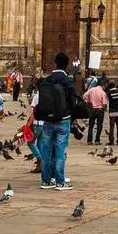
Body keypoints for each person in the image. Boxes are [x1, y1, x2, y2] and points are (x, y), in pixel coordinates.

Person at [36, 52, 77, 190]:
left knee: (46, 151)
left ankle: (46, 181)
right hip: (63, 120)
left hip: (48, 120)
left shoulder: (47, 80)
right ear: (67, 65)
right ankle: (60, 182)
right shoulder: (68, 81)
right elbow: (72, 101)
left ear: (55, 64)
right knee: (59, 152)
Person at [83, 77, 107, 143]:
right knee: (99, 126)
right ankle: (97, 140)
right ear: (103, 85)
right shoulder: (103, 93)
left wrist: (89, 101)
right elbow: (104, 104)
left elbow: (84, 96)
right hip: (100, 110)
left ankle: (89, 140)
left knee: (91, 126)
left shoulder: (91, 90)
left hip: (92, 109)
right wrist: (105, 109)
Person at [105, 75, 118, 146]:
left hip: (112, 113)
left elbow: (107, 103)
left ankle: (111, 141)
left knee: (112, 127)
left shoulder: (108, 93)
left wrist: (108, 110)